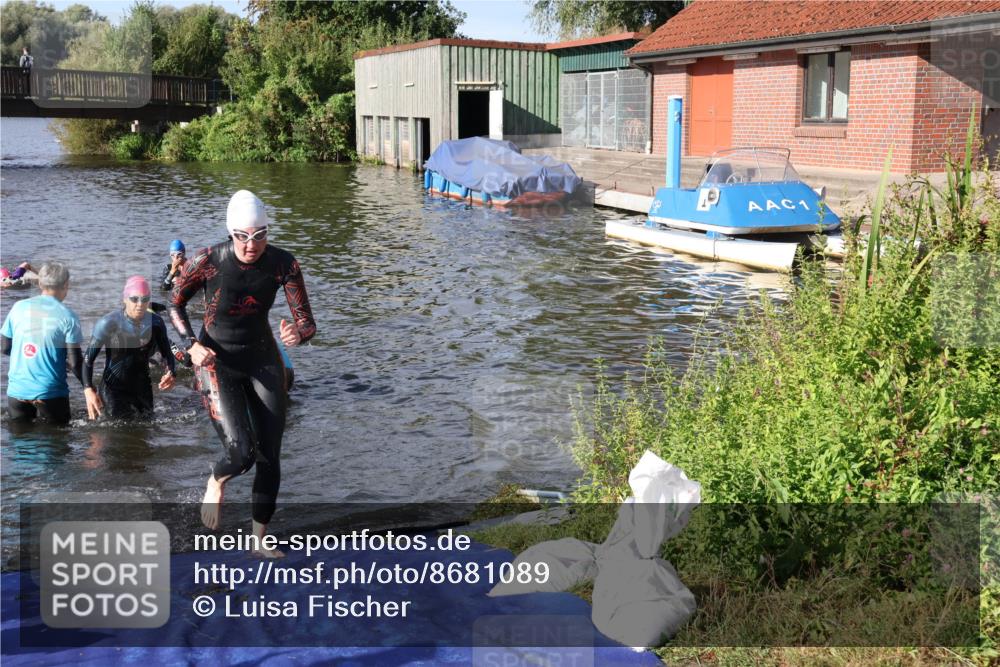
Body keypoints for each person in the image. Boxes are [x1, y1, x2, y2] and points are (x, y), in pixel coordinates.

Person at [169, 190, 315, 556]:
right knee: (242, 453)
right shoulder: (208, 260)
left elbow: (307, 322)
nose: (252, 245)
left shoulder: (284, 264)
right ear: (231, 233)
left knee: (269, 455)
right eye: (243, 236)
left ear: (268, 232)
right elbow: (175, 304)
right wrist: (190, 344)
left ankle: (259, 540)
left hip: (263, 358)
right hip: (216, 362)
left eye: (260, 235)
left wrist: (298, 334)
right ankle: (216, 481)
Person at [0, 262, 100, 424]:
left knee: (21, 444)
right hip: (51, 393)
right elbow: (75, 363)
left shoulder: (18, 307)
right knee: (57, 443)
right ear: (66, 285)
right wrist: (88, 388)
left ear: (40, 283)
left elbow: (5, 348)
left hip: (17, 392)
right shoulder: (68, 316)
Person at [83, 276, 176, 420]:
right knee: (116, 432)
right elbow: (88, 361)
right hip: (113, 389)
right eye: (134, 299)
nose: (140, 304)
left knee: (146, 431)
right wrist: (88, 389)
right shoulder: (108, 323)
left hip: (142, 387)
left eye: (145, 299)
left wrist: (171, 372)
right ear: (125, 299)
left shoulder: (156, 323)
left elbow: (167, 353)